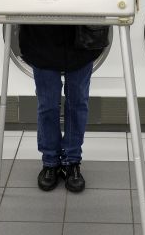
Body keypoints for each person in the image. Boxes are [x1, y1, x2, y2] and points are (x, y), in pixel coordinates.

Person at [18, 24, 107, 192]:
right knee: (48, 104)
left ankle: (72, 161)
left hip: (83, 36)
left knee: (78, 102)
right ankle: (50, 161)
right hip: (41, 37)